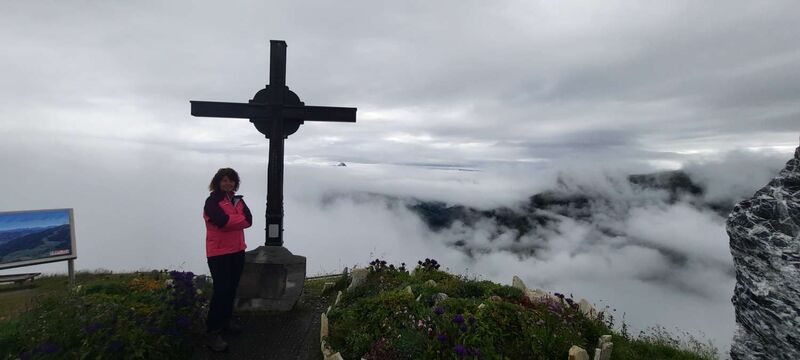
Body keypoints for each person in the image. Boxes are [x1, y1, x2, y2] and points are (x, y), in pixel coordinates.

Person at [203, 168, 252, 352]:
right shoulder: (211, 202)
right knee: (221, 291)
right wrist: (237, 220)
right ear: (218, 182)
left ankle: (226, 320)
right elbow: (221, 221)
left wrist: (231, 220)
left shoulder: (238, 200)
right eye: (224, 180)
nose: (228, 183)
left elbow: (249, 220)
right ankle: (212, 332)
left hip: (237, 251)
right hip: (219, 253)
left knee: (231, 289)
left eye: (231, 180)